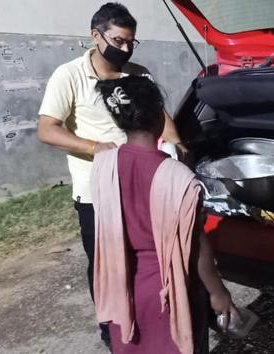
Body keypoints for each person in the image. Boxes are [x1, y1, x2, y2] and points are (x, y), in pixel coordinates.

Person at [36, 2, 188, 341]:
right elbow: (47, 129)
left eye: (131, 42)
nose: (125, 49)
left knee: (147, 260)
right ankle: (113, 330)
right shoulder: (69, 75)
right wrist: (97, 149)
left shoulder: (139, 75)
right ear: (95, 35)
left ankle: (150, 322)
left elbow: (163, 121)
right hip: (98, 192)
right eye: (118, 41)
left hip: (142, 188)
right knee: (108, 266)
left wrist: (179, 153)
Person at [91, 76, 237, 354]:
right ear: (160, 114)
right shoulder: (177, 176)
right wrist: (218, 292)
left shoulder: (103, 163)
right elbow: (196, 247)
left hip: (122, 285)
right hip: (168, 293)